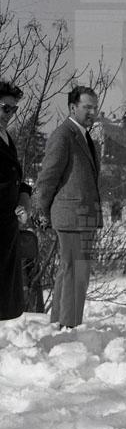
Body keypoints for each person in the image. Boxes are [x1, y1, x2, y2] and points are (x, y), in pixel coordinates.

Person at [35, 86, 103, 329]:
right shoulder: (63, 135)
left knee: (70, 269)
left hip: (82, 215)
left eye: (95, 107)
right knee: (77, 270)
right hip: (71, 215)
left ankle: (60, 323)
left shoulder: (84, 135)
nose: (92, 112)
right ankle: (69, 326)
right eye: (87, 107)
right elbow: (48, 176)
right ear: (73, 108)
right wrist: (40, 211)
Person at [0, 80, 32, 321]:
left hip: (6, 228)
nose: (9, 114)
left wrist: (24, 195)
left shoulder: (6, 137)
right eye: (5, 108)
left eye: (14, 109)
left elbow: (13, 176)